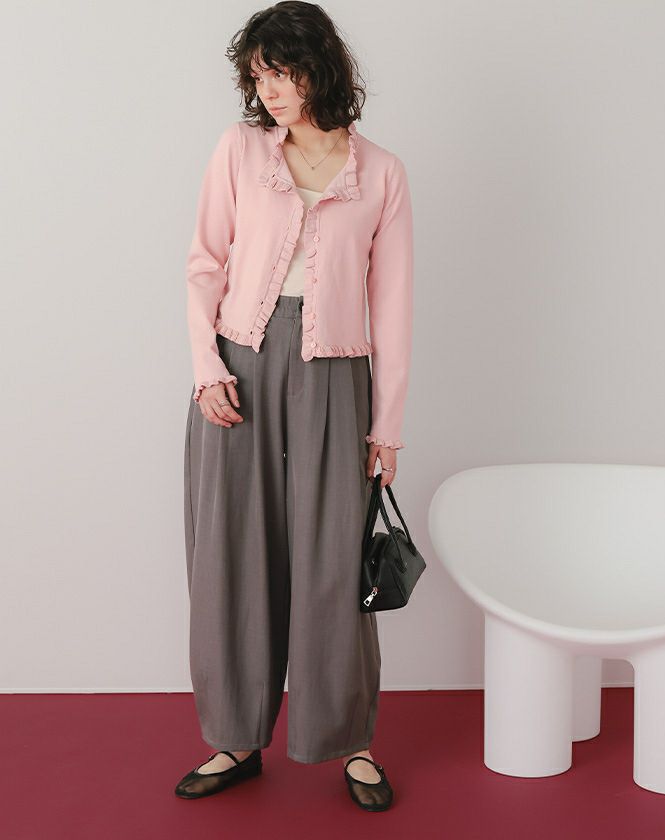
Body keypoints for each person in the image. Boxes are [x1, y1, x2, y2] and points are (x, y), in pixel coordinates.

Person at [175, 0, 413, 813]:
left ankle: (350, 740)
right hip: (238, 364)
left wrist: (388, 426)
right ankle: (236, 737)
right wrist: (206, 367)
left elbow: (393, 307)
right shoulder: (239, 151)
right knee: (230, 551)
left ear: (321, 69)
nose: (268, 89)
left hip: (337, 374)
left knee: (332, 557)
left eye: (282, 71)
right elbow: (204, 263)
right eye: (259, 75)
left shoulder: (381, 172)